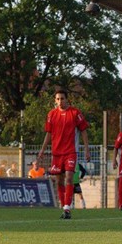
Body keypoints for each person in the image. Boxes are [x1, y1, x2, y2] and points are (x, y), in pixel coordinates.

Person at [38, 88, 90, 219]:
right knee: (59, 181)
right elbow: (48, 134)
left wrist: (86, 149)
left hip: (70, 152)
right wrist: (42, 151)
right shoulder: (51, 114)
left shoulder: (75, 113)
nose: (60, 101)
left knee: (68, 177)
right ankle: (64, 207)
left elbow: (83, 130)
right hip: (56, 153)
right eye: (57, 99)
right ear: (55, 101)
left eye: (62, 98)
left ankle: (67, 207)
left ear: (67, 100)